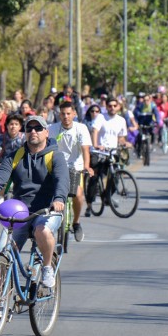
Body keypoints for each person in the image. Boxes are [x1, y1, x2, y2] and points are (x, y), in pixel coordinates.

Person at [0, 116, 69, 289]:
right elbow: (0, 179)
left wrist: (58, 199)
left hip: (47, 210)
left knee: (42, 230)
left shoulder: (55, 156)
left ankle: (47, 267)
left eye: (38, 128)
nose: (33, 131)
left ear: (46, 132)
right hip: (20, 212)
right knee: (3, 254)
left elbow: (61, 180)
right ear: (24, 133)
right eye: (29, 129)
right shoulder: (15, 156)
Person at [48, 101, 93, 242]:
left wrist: (87, 166)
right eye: (63, 114)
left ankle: (76, 222)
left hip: (76, 167)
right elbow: (47, 149)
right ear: (59, 114)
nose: (66, 117)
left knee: (78, 195)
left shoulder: (81, 128)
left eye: (68, 113)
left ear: (74, 114)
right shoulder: (52, 129)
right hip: (57, 166)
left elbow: (85, 150)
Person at [87, 97, 129, 216]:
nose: (112, 108)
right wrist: (95, 145)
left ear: (118, 107)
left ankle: (107, 197)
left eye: (114, 106)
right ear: (106, 107)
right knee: (94, 178)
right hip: (99, 151)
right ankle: (89, 205)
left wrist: (125, 143)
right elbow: (95, 131)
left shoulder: (121, 120)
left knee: (115, 177)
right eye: (110, 106)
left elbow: (121, 137)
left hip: (112, 152)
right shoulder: (101, 117)